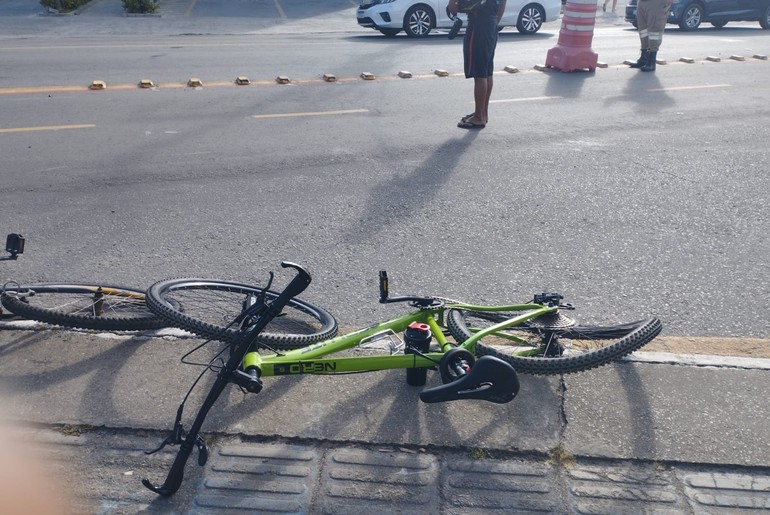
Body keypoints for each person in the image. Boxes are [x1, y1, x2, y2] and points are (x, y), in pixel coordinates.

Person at [449, 0, 507, 129]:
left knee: (480, 73)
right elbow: (503, 4)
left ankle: (479, 117)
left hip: (479, 26)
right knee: (487, 71)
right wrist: (493, 22)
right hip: (491, 24)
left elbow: (453, 7)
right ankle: (482, 113)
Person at [627, 0, 673, 72]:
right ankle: (644, 58)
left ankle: (651, 61)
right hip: (642, 2)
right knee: (643, 31)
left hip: (656, 3)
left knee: (654, 32)